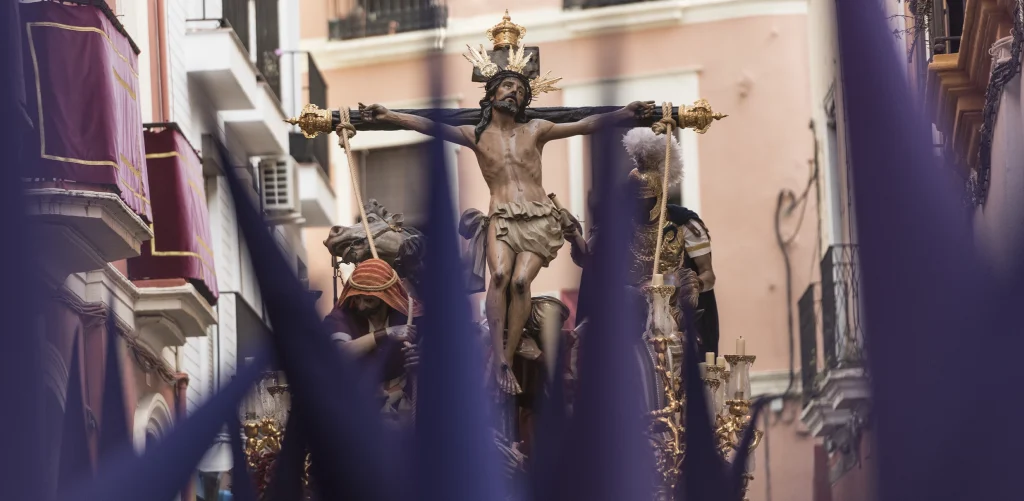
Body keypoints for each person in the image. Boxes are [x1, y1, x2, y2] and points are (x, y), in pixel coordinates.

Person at [359, 53, 654, 394]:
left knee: (519, 283)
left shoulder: (537, 129)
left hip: (539, 216)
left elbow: (585, 124)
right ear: (492, 94)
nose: (514, 93)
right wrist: (391, 115)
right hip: (500, 217)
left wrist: (623, 114)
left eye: (520, 90)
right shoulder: (474, 135)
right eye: (508, 86)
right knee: (499, 276)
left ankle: (507, 358)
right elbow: (430, 126)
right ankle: (499, 358)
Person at [564, 128, 720, 356]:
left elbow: (708, 274)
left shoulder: (684, 225)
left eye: (647, 201)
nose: (641, 207)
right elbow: (589, 261)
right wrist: (574, 236)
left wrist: (691, 283)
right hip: (627, 311)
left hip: (672, 310)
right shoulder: (615, 225)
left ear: (659, 196)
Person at [321, 258, 423, 422]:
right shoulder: (342, 315)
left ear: (386, 297)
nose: (360, 306)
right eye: (358, 298)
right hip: (358, 407)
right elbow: (339, 354)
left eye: (369, 300)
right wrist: (386, 333)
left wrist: (421, 360)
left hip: (404, 406)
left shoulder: (411, 315)